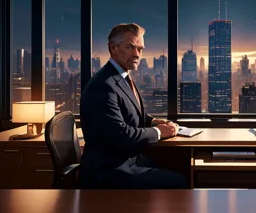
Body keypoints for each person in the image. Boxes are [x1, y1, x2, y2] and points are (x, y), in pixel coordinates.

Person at [78, 23, 187, 189]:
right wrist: (159, 132)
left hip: (128, 160)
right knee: (179, 181)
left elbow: (128, 113)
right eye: (130, 47)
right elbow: (121, 135)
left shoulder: (120, 77)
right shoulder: (103, 85)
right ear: (113, 48)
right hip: (109, 171)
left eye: (140, 49)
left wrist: (152, 122)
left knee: (182, 164)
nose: (137, 54)